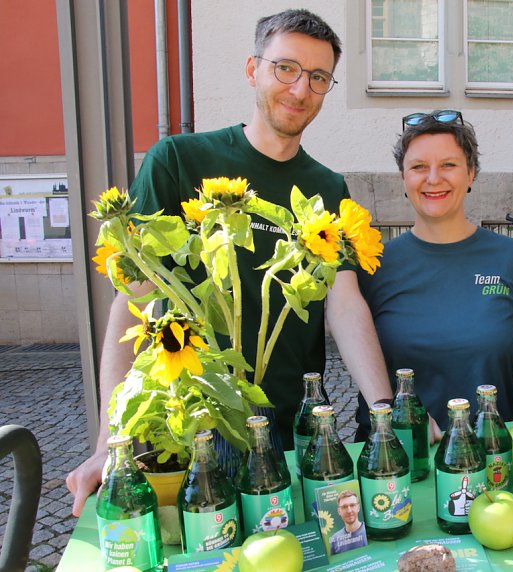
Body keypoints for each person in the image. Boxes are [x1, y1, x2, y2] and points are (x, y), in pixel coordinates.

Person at [66, 9, 391, 517]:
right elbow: (133, 304)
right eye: (285, 68)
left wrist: (384, 411)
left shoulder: (327, 188)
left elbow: (344, 304)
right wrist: (113, 442)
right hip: (190, 429)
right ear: (252, 69)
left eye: (318, 77)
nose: (300, 89)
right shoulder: (179, 161)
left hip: (290, 425)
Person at [356, 110, 513, 438]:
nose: (433, 178)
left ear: (471, 173)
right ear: (403, 178)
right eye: (418, 167)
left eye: (448, 165)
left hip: (493, 454)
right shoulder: (373, 264)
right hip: (397, 456)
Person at [328, 490, 367, 555]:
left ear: (358, 507)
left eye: (352, 505)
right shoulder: (334, 539)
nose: (349, 511)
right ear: (339, 511)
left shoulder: (368, 531)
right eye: (344, 507)